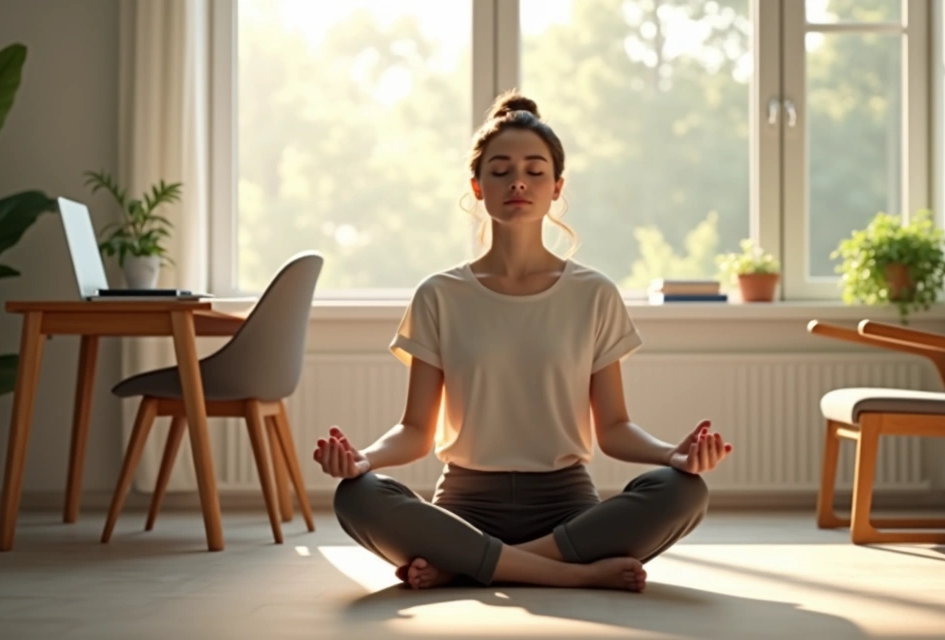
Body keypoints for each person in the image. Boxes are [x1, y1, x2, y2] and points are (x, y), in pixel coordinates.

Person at [312, 90, 733, 593]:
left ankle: (469, 567)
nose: (518, 181)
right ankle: (565, 575)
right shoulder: (439, 295)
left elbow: (615, 428)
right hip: (465, 509)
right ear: (477, 186)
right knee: (356, 497)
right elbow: (414, 430)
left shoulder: (593, 293)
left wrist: (674, 456)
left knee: (683, 492)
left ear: (556, 188)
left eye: (535, 171)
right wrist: (363, 460)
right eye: (500, 170)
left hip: (566, 510)